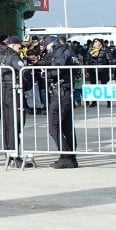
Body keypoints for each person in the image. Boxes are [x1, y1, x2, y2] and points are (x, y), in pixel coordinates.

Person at [40, 36, 81, 169]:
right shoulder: (69, 51)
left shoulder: (60, 52)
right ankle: (70, 157)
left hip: (61, 91)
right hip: (67, 90)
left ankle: (67, 156)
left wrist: (46, 73)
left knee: (53, 127)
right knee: (67, 127)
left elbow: (58, 69)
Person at [0, 36, 29, 168]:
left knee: (7, 124)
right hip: (14, 90)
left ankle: (9, 154)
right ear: (13, 45)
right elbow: (24, 72)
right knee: (16, 123)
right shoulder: (13, 56)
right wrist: (27, 84)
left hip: (4, 90)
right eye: (19, 45)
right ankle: (15, 156)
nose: (21, 47)